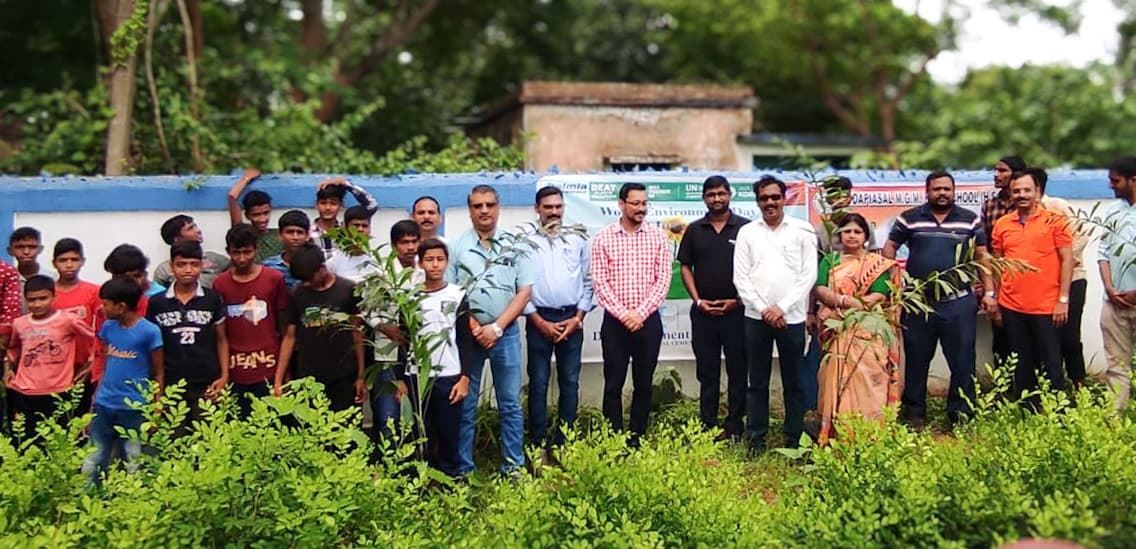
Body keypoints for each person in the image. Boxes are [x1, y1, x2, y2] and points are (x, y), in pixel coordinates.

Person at [883, 170, 995, 428]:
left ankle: (961, 415)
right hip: (918, 303)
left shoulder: (970, 220)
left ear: (954, 191)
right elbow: (889, 248)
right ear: (927, 191)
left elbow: (982, 256)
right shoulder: (910, 218)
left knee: (963, 361)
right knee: (916, 359)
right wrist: (894, 286)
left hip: (958, 302)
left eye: (947, 189)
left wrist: (989, 293)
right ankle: (914, 414)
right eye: (937, 189)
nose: (942, 193)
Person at [447, 184, 533, 475]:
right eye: (477, 206)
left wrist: (496, 327)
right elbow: (449, 292)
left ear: (498, 208)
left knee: (510, 404)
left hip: (505, 335)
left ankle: (513, 468)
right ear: (470, 209)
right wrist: (471, 324)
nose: (484, 211)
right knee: (465, 405)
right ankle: (464, 470)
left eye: (489, 205)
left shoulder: (514, 245)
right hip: (468, 338)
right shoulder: (457, 247)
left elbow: (524, 292)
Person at [734, 176, 816, 452]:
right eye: (763, 198)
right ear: (757, 201)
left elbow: (809, 276)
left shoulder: (803, 230)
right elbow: (741, 278)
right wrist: (764, 309)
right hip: (756, 319)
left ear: (785, 198)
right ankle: (756, 439)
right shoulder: (747, 232)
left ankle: (794, 438)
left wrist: (781, 308)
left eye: (774, 197)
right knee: (756, 382)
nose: (770, 202)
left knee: (794, 382)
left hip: (791, 318)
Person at [590, 182, 671, 445]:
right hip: (615, 324)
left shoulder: (658, 237)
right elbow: (600, 282)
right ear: (621, 204)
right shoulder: (603, 238)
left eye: (644, 203)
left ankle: (637, 438)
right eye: (635, 203)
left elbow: (663, 281)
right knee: (613, 384)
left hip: (648, 323)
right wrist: (625, 314)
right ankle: (613, 439)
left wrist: (640, 314)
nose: (641, 208)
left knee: (644, 384)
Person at [990, 168, 1073, 404]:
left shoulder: (1056, 220)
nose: (1022, 195)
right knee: (1021, 363)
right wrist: (995, 298)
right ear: (1010, 193)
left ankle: (1057, 413)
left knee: (1052, 363)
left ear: (1038, 192)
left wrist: (1063, 300)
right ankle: (1028, 411)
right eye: (1016, 191)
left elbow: (1067, 259)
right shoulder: (1003, 224)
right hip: (1012, 306)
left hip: (1047, 307)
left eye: (1027, 190)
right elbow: (997, 263)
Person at [814, 214, 898, 444]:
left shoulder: (876, 263)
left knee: (869, 379)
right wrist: (843, 301)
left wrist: (858, 306)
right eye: (847, 231)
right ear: (839, 234)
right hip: (837, 329)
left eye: (857, 232)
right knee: (835, 379)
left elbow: (881, 293)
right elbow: (820, 289)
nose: (852, 236)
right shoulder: (830, 261)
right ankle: (838, 435)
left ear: (865, 236)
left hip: (866, 330)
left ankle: (870, 434)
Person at [676, 175, 749, 440]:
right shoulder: (695, 229)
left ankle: (734, 427)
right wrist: (698, 300)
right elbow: (685, 265)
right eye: (711, 194)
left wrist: (739, 300)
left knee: (738, 371)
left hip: (737, 313)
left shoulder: (746, 228)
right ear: (704, 198)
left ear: (730, 194)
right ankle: (707, 426)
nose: (716, 198)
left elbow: (755, 269)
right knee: (707, 372)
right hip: (704, 314)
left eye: (721, 193)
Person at [524, 186, 593, 453]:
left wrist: (578, 317)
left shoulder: (577, 239)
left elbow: (589, 281)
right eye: (548, 207)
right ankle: (538, 445)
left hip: (571, 320)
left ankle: (565, 444)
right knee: (538, 383)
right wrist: (538, 320)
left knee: (569, 382)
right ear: (537, 209)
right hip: (538, 319)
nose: (554, 212)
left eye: (558, 207)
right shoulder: (527, 241)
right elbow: (520, 285)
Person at [84, 277, 164, 485]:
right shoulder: (108, 329)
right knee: (94, 457)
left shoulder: (149, 331)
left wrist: (156, 408)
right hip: (104, 404)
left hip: (135, 407)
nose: (102, 308)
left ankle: (133, 503)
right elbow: (106, 364)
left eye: (106, 303)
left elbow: (159, 372)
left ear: (121, 307)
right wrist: (95, 398)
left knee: (134, 459)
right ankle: (90, 499)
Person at [274, 244, 366, 413]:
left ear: (322, 269)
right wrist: (278, 380)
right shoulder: (297, 294)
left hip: (344, 375)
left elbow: (357, 333)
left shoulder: (348, 290)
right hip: (309, 377)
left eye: (309, 279)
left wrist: (361, 376)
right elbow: (289, 337)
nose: (306, 283)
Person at [212, 224, 291, 417]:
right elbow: (219, 335)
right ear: (228, 252)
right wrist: (224, 374)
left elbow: (285, 329)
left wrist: (283, 375)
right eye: (236, 253)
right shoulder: (220, 283)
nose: (241, 258)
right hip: (235, 371)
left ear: (256, 249)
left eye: (247, 252)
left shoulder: (274, 279)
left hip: (269, 370)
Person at [146, 241, 229, 425]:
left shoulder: (212, 299)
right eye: (181, 264)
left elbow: (221, 340)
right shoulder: (157, 302)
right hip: (171, 384)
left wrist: (224, 376)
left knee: (208, 439)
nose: (188, 270)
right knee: (175, 440)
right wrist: (157, 391)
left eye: (194, 264)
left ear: (202, 265)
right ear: (171, 267)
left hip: (207, 382)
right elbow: (154, 348)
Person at [3, 275, 95, 441]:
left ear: (53, 296)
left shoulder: (68, 320)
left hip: (58, 390)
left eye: (42, 298)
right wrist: (8, 368)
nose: (37, 304)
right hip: (25, 391)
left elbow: (95, 341)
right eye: (32, 300)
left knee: (59, 440)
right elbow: (14, 348)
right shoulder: (20, 323)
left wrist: (90, 365)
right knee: (27, 441)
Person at [408, 238, 472, 477]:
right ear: (420, 263)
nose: (435, 265)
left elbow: (465, 339)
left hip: (448, 375)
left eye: (440, 259)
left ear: (447, 262)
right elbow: (404, 338)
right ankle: (423, 481)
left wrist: (464, 377)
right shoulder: (410, 297)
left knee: (449, 431)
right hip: (417, 374)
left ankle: (452, 480)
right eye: (429, 260)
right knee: (422, 431)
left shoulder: (457, 294)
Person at [366, 220, 424, 443]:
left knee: (416, 414)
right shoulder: (380, 273)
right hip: (387, 353)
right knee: (387, 415)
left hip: (418, 353)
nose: (410, 247)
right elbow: (365, 309)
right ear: (393, 245)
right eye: (404, 242)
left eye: (414, 241)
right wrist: (383, 327)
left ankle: (415, 467)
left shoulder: (425, 272)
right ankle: (390, 467)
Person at [1036, 171, 1090, 388]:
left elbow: (1080, 238)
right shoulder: (1021, 215)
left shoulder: (1057, 206)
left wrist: (1060, 264)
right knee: (1047, 339)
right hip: (1043, 285)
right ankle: (1052, 387)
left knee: (1069, 336)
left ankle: (1079, 385)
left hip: (1073, 279)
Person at [1098, 156, 1136, 410]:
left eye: (1116, 181)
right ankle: (1115, 420)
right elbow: (1103, 253)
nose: (1111, 186)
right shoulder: (1113, 210)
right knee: (1117, 366)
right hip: (1113, 303)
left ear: (1133, 180)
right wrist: (1110, 289)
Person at [983, 155, 1027, 368]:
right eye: (995, 170)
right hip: (1001, 280)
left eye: (1002, 171)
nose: (996, 175)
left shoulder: (1033, 206)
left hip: (1029, 281)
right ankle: (1003, 392)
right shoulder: (990, 206)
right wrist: (990, 289)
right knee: (1001, 338)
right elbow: (985, 252)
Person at [50, 238, 102, 413]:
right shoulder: (46, 294)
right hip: (53, 366)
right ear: (54, 263)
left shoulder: (94, 292)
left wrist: (92, 362)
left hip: (84, 366)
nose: (69, 265)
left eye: (74, 260)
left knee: (81, 417)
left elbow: (101, 329)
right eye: (63, 260)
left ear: (83, 262)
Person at [152, 215, 231, 289]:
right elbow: (157, 297)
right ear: (176, 239)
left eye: (195, 226)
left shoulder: (215, 259)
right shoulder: (164, 270)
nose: (198, 231)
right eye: (190, 228)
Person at [310, 178, 378, 259]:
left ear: (341, 205)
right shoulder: (308, 233)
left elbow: (372, 205)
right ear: (316, 205)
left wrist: (345, 184)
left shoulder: (347, 230)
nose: (328, 207)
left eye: (333, 203)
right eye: (323, 203)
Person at [227, 168, 284, 262]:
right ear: (247, 215)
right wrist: (246, 178)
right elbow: (232, 197)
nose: (262, 219)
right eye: (256, 215)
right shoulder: (243, 234)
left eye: (265, 213)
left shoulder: (279, 234)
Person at [326, 206, 378, 283]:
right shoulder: (333, 263)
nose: (360, 229)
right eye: (355, 225)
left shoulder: (378, 262)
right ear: (345, 228)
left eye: (364, 226)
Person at [263, 210, 313, 290]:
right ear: (280, 235)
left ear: (307, 236)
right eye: (290, 232)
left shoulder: (315, 266)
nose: (295, 237)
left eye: (300, 232)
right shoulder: (268, 266)